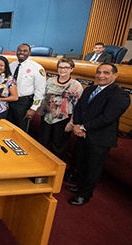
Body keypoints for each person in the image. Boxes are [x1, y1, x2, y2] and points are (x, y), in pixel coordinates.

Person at [66, 63, 130, 206]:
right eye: (99, 72)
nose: (101, 75)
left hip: (100, 138)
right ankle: (80, 187)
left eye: (106, 73)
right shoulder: (90, 89)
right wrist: (76, 125)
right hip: (82, 133)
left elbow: (107, 118)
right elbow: (79, 108)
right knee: (81, 163)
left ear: (115, 75)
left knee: (93, 168)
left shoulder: (120, 95)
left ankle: (84, 195)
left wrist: (83, 127)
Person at [39, 58, 83, 161]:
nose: (63, 70)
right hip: (46, 117)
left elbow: (78, 106)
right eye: (60, 67)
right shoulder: (50, 81)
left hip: (63, 120)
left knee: (58, 147)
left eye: (66, 67)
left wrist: (72, 122)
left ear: (71, 69)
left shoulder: (76, 85)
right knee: (43, 143)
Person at [8, 43, 46, 132]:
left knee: (20, 130)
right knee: (8, 127)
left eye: (25, 51)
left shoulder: (37, 68)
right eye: (19, 50)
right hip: (9, 101)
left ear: (29, 53)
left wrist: (33, 108)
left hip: (24, 103)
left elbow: (40, 90)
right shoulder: (11, 66)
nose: (21, 52)